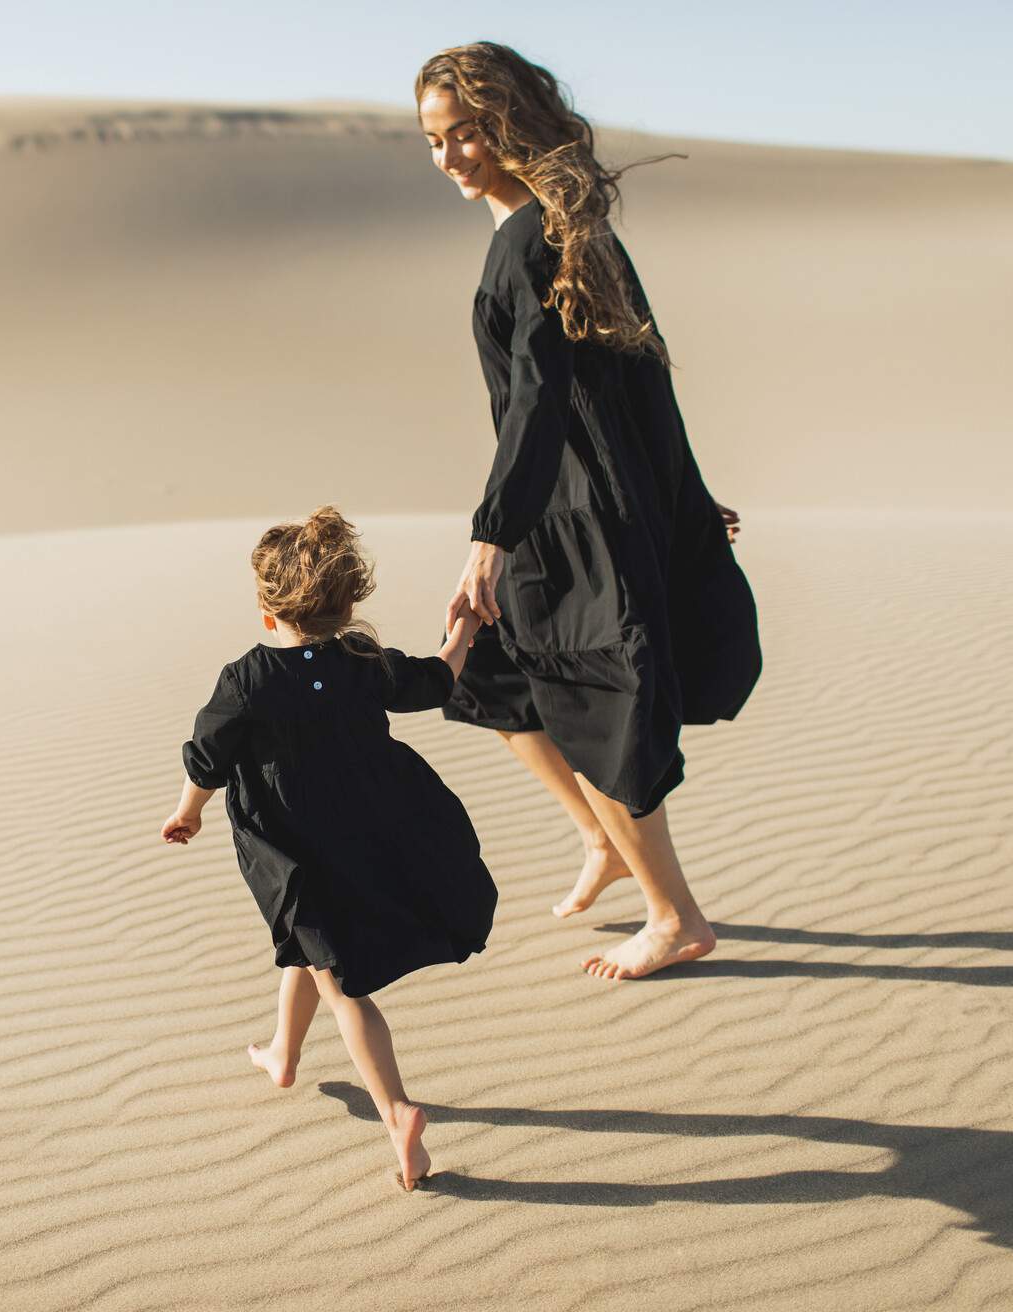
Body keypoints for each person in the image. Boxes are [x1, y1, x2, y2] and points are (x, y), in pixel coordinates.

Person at [416, 43, 763, 981]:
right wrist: (675, 487)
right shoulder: (559, 231)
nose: (452, 156)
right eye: (436, 140)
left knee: (593, 705)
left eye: (467, 133)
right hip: (572, 498)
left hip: (567, 514)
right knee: (495, 677)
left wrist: (492, 534)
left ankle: (674, 914)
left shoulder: (534, 239)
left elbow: (543, 397)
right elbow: (638, 373)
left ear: (509, 122)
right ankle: (602, 841)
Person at [160, 505, 494, 1190]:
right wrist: (462, 631)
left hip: (295, 855)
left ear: (265, 610)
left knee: (341, 987)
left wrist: (185, 813)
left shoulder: (246, 680)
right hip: (372, 835)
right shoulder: (360, 661)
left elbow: (206, 759)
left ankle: (396, 1110)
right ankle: (284, 1053)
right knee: (309, 949)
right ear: (345, 609)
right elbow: (437, 678)